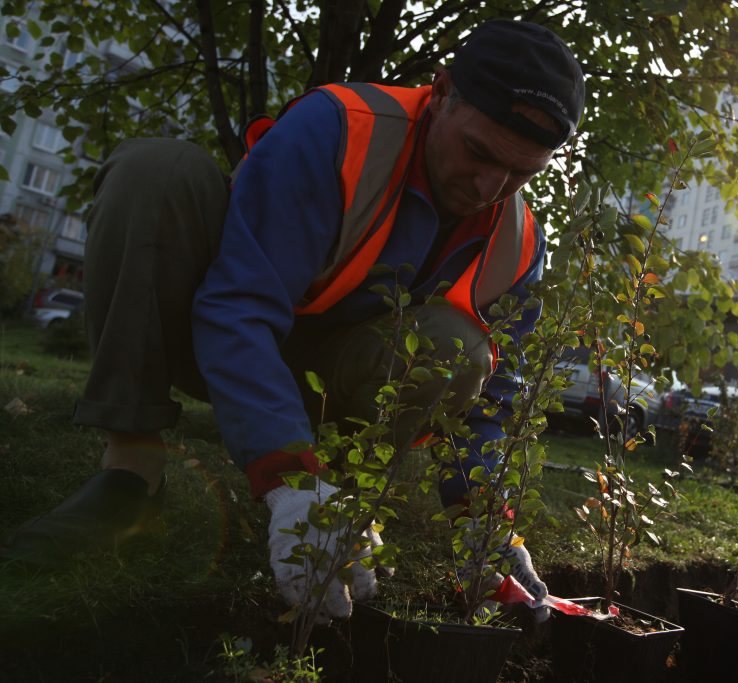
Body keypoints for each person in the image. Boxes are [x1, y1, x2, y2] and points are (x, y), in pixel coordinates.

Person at [1, 19, 585, 621]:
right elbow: (239, 303)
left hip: (332, 388)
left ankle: (345, 508)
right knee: (155, 172)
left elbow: (495, 404)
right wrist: (288, 482)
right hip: (209, 335)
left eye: (521, 173)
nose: (492, 186)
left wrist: (485, 526)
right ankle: (131, 477)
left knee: (458, 349)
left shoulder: (519, 244)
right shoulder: (338, 130)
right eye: (479, 153)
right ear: (439, 94)